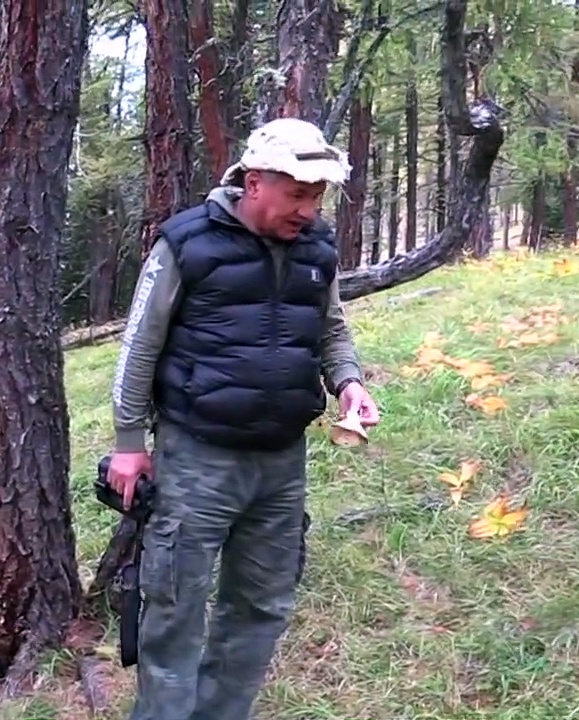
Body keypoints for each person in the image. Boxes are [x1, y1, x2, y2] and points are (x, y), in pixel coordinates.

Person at [107, 118, 381, 720]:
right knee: (175, 610)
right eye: (298, 194)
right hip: (196, 459)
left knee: (260, 606)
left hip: (282, 464)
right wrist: (128, 442)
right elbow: (138, 347)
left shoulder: (317, 249)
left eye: (317, 196)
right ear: (254, 183)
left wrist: (349, 383)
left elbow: (331, 330)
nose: (309, 210)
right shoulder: (187, 243)